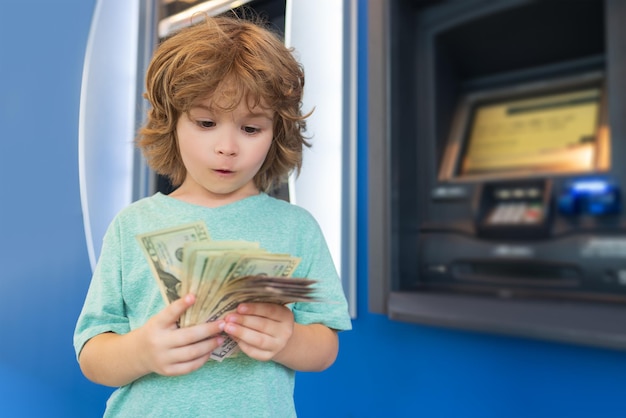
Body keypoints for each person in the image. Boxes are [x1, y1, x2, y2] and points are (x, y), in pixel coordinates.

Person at [73, 14, 352, 418]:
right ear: (170, 123)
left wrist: (287, 340)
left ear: (277, 133)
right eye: (206, 122)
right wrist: (142, 351)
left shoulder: (297, 228)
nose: (227, 147)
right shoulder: (131, 225)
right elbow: (92, 354)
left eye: (251, 129)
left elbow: (325, 345)